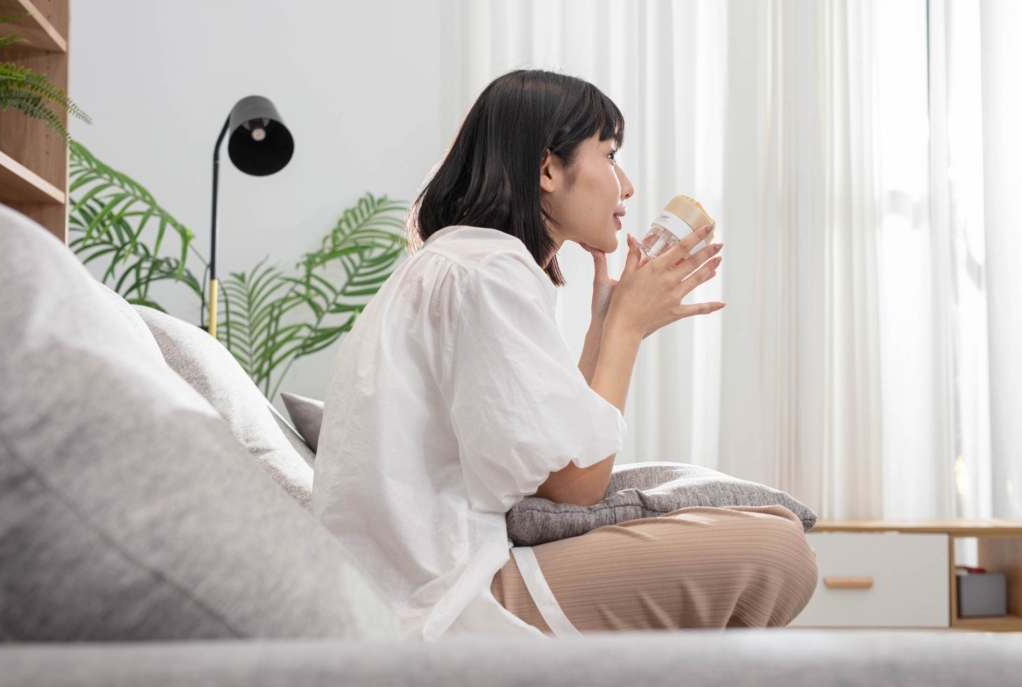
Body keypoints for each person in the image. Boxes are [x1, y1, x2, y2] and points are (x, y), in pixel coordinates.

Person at [311, 69, 817, 640]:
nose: (627, 186)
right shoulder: (488, 272)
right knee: (779, 550)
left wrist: (602, 327)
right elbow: (576, 488)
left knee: (764, 537)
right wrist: (626, 330)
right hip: (449, 599)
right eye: (610, 154)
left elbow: (546, 462)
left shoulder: (466, 261)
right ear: (547, 169)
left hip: (428, 584)